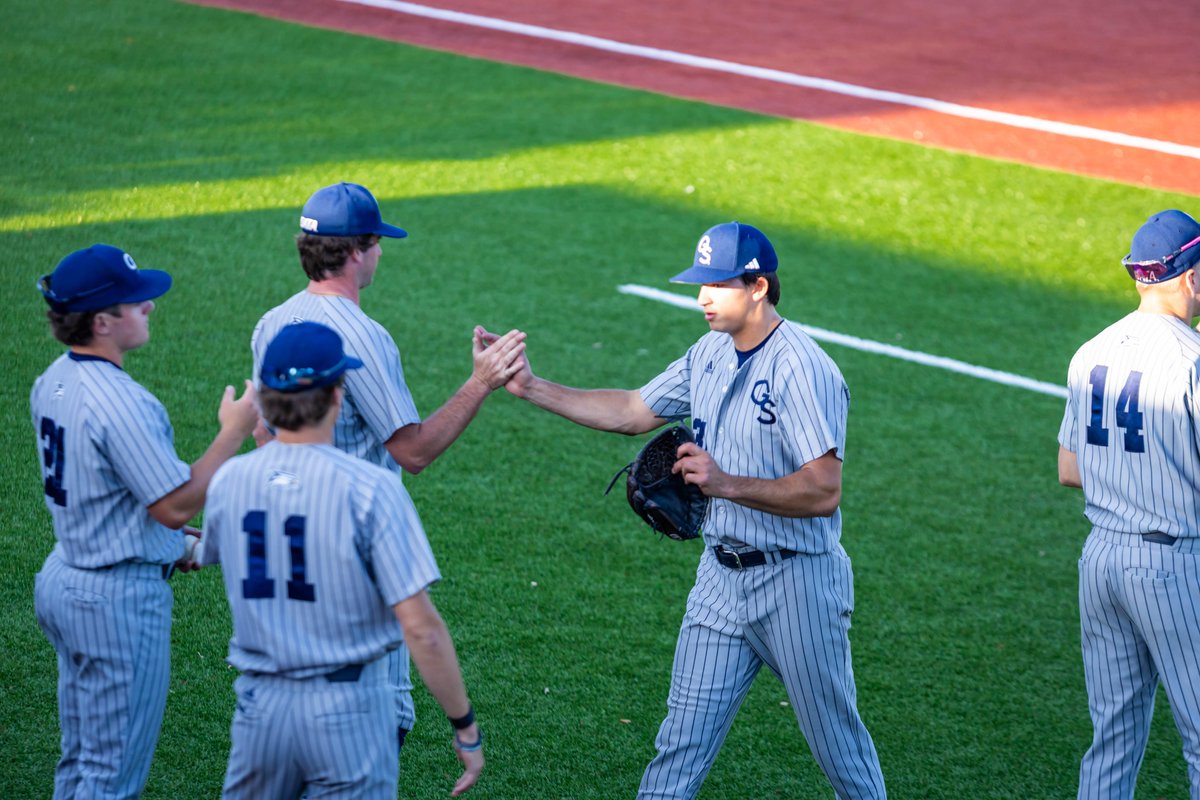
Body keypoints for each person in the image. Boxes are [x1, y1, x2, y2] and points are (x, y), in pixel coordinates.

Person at [481, 221, 887, 798]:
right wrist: (530, 387)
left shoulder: (804, 369)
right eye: (700, 282)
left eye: (717, 283)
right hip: (719, 581)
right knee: (679, 747)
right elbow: (631, 410)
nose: (701, 296)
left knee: (837, 748)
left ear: (758, 287)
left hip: (797, 583)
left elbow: (823, 490)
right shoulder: (709, 352)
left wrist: (725, 483)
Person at [250, 181, 525, 748]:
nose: (379, 253)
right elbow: (414, 451)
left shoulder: (272, 321)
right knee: (372, 721)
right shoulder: (365, 338)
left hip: (285, 552)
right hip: (353, 557)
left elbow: (261, 434)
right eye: (376, 243)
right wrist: (481, 382)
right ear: (356, 251)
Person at [202, 321, 484, 798]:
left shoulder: (231, 480)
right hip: (347, 710)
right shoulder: (371, 489)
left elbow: (203, 551)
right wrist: (465, 727)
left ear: (265, 401)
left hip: (260, 709)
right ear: (337, 396)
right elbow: (422, 629)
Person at [30, 244, 258, 798]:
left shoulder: (52, 379)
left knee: (81, 763)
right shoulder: (123, 402)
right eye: (136, 301)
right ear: (102, 321)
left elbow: (107, 491)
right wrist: (234, 430)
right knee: (110, 779)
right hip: (114, 604)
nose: (150, 306)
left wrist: (165, 541)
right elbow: (175, 504)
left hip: (66, 575)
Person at [1057, 209, 1200, 799]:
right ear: (1190, 277)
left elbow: (1069, 469)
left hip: (1101, 561)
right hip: (1173, 565)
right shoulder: (1192, 360)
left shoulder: (1091, 350)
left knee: (1113, 736)